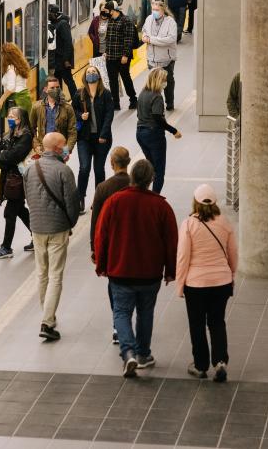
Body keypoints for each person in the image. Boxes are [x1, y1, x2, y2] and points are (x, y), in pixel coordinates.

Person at [95, 160, 178, 377]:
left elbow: (101, 237)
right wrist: (171, 270)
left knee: (121, 312)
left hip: (120, 270)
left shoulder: (114, 202)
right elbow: (171, 241)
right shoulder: (161, 206)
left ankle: (128, 352)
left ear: (132, 177)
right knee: (145, 312)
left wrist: (102, 265)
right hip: (150, 273)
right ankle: (143, 354)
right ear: (151, 180)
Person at [176, 185, 238, 382]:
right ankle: (220, 361)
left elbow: (183, 257)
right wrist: (231, 275)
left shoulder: (188, 224)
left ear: (195, 202)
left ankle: (200, 365)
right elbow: (233, 254)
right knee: (217, 322)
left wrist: (180, 284)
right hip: (221, 282)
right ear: (215, 203)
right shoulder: (225, 223)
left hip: (195, 284)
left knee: (197, 324)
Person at [23, 132, 80, 341]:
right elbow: (72, 203)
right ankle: (47, 321)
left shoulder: (30, 169)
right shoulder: (64, 171)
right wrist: (70, 223)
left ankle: (48, 314)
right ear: (57, 149)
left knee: (42, 273)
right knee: (56, 275)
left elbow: (28, 197)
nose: (67, 149)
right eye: (64, 145)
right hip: (58, 228)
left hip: (37, 227)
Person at [89, 146, 132, 345]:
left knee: (114, 285)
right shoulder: (136, 184)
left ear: (111, 164)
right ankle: (128, 322)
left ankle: (118, 324)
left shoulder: (103, 188)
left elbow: (96, 221)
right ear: (128, 162)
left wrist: (94, 248)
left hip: (112, 245)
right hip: (133, 242)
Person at [0, 107, 33, 259]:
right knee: (20, 210)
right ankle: (38, 236)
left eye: (13, 116)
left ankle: (6, 247)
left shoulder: (26, 136)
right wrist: (1, 156)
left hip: (18, 181)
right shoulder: (9, 134)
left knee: (10, 212)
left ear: (21, 119)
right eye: (8, 116)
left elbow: (12, 157)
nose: (9, 118)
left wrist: (2, 156)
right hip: (11, 179)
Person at [136, 67, 182, 194]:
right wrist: (174, 131)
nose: (165, 82)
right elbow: (158, 118)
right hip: (153, 135)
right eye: (164, 80)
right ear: (158, 80)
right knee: (159, 170)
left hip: (140, 133)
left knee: (150, 167)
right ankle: (155, 197)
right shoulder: (156, 96)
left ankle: (143, 193)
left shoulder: (142, 93)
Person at [74, 65, 114, 213]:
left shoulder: (106, 94)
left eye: (94, 72)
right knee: (84, 168)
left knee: (98, 169)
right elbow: (74, 110)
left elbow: (109, 116)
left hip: (102, 139)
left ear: (98, 76)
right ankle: (80, 198)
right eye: (89, 72)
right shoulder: (80, 94)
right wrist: (80, 116)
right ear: (85, 76)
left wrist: (103, 135)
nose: (91, 74)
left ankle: (99, 199)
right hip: (84, 138)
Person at [141, 0, 178, 111]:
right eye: (153, 9)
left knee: (167, 82)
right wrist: (144, 37)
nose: (154, 12)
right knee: (153, 83)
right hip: (151, 59)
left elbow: (170, 39)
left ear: (163, 10)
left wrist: (151, 40)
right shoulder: (148, 19)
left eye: (157, 10)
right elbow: (144, 30)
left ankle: (169, 102)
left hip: (166, 59)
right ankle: (155, 104)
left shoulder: (170, 22)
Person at [29, 75, 77, 155]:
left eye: (57, 87)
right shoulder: (37, 107)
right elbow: (31, 129)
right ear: (45, 89)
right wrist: (36, 145)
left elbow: (72, 131)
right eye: (52, 88)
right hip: (43, 150)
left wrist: (67, 149)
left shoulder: (67, 108)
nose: (55, 90)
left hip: (60, 150)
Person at [103, 1, 138, 111]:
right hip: (111, 56)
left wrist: (126, 55)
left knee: (125, 78)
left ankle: (133, 99)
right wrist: (106, 51)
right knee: (112, 80)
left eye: (107, 11)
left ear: (113, 11)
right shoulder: (110, 20)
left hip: (122, 57)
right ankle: (115, 103)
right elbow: (108, 38)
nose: (106, 14)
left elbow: (128, 39)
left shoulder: (126, 21)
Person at [48, 3, 77, 100]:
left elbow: (68, 43)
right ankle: (59, 100)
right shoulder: (54, 23)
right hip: (56, 60)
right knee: (57, 82)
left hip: (63, 60)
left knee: (69, 81)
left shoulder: (63, 24)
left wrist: (66, 60)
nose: (48, 16)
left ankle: (76, 100)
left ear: (55, 13)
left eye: (49, 13)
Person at [0, 43, 33, 118]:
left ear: (6, 56)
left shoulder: (10, 69)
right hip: (25, 98)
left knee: (16, 126)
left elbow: (11, 87)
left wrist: (1, 100)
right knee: (24, 125)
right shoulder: (20, 66)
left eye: (2, 55)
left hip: (16, 100)